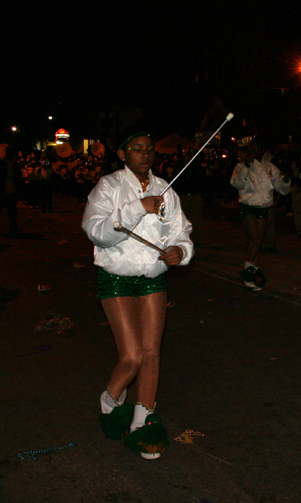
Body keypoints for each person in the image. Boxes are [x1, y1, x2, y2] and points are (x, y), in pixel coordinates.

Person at [82, 131, 193, 460]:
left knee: (151, 352)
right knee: (132, 357)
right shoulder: (109, 187)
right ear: (122, 154)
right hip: (116, 277)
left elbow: (179, 230)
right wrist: (137, 208)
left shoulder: (166, 190)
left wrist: (179, 250)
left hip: (153, 279)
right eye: (137, 149)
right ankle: (111, 397)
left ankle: (142, 424)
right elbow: (96, 231)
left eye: (149, 150)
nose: (145, 155)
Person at [230, 138, 291, 290]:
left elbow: (282, 188)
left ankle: (253, 273)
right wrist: (245, 168)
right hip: (248, 206)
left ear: (262, 149)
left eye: (258, 146)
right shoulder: (242, 165)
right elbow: (236, 183)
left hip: (263, 207)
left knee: (257, 241)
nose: (255, 149)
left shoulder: (270, 167)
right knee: (256, 239)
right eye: (253, 146)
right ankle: (248, 271)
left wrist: (285, 180)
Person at [0, 145, 22, 236]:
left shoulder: (14, 164)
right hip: (3, 190)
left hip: (12, 190)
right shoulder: (1, 164)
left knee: (12, 211)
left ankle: (13, 228)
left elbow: (18, 178)